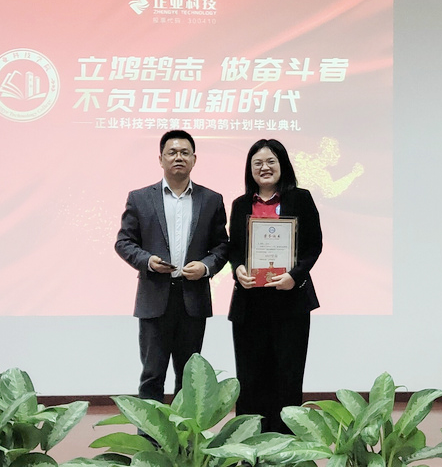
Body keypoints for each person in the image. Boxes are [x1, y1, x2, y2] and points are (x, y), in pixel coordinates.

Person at [116, 130, 229, 403]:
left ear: (194, 159)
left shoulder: (211, 199)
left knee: (189, 378)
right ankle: (150, 429)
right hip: (154, 298)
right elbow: (124, 242)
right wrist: (148, 261)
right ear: (161, 159)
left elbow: (222, 246)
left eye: (184, 153)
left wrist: (206, 267)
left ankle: (185, 431)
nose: (179, 157)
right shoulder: (140, 198)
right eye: (172, 152)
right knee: (152, 375)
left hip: (193, 299)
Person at [228, 138, 323, 434]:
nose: (264, 167)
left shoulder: (301, 198)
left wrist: (295, 275)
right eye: (257, 163)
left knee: (288, 377)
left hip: (290, 303)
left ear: (283, 165)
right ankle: (250, 442)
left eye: (271, 161)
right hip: (250, 305)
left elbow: (314, 245)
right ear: (250, 169)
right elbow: (234, 248)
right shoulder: (240, 204)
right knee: (250, 378)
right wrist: (238, 269)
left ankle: (285, 444)